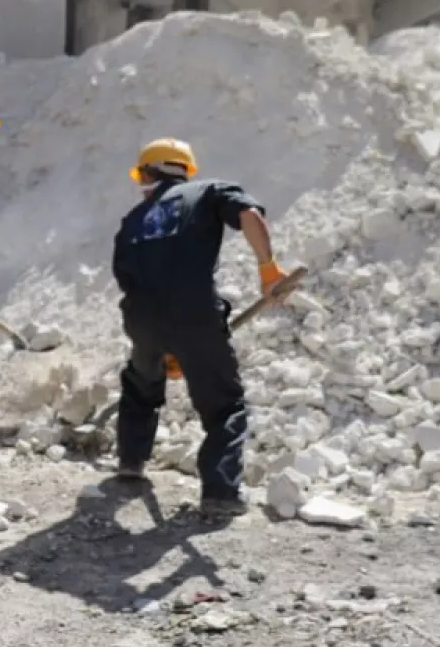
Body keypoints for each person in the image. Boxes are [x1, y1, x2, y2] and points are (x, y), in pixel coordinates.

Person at [109, 138, 303, 518]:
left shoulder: (133, 220)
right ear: (184, 170)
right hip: (194, 315)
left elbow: (125, 276)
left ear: (147, 173)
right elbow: (248, 214)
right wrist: (267, 269)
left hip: (141, 317)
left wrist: (161, 340)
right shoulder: (209, 191)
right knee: (224, 405)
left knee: (140, 384)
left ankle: (131, 462)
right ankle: (219, 493)